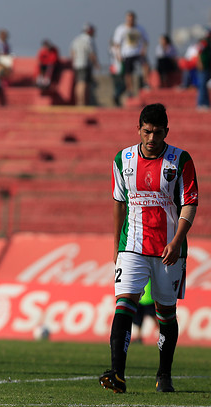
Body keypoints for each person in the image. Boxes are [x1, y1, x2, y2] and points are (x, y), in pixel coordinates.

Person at [100, 103, 198, 393]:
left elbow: (190, 203)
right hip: (132, 245)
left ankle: (164, 375)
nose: (151, 138)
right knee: (124, 304)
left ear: (166, 131)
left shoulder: (180, 160)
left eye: (157, 132)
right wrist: (116, 245)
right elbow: (119, 203)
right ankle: (117, 374)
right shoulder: (123, 159)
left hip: (169, 249)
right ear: (138, 129)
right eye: (146, 131)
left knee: (165, 313)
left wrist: (177, 240)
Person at [112, 11, 151, 97]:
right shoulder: (121, 29)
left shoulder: (140, 28)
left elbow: (146, 40)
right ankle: (130, 89)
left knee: (146, 65)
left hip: (138, 52)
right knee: (128, 73)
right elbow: (117, 43)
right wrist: (118, 54)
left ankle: (145, 82)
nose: (130, 21)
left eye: (132, 19)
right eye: (129, 19)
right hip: (127, 54)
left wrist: (144, 50)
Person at [71, 23, 99, 106]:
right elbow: (91, 54)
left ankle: (79, 102)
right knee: (83, 83)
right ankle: (82, 102)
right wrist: (96, 64)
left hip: (77, 64)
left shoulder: (76, 39)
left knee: (78, 83)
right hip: (85, 64)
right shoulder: (89, 40)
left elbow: (72, 52)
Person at [196, 29, 211, 109]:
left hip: (208, 67)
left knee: (205, 86)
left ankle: (207, 103)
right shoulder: (204, 43)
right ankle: (201, 103)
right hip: (203, 67)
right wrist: (200, 63)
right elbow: (199, 52)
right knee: (202, 86)